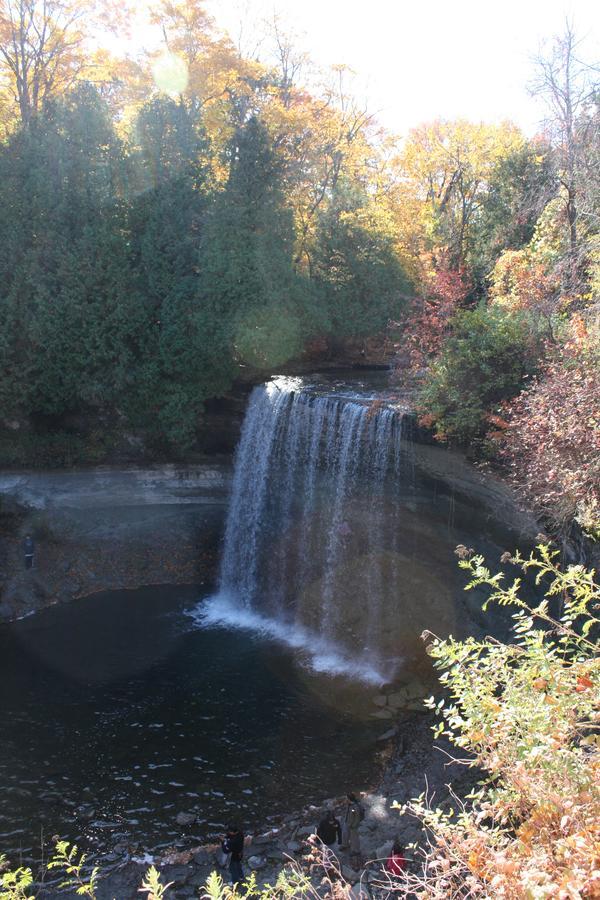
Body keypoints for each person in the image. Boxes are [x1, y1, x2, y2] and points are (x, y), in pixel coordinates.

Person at [341, 793, 363, 866]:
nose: (345, 799)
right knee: (345, 834)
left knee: (354, 838)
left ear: (349, 799)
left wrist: (354, 825)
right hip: (347, 822)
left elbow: (357, 818)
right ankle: (345, 845)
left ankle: (356, 850)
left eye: (346, 798)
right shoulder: (349, 804)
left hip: (353, 825)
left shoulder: (355, 807)